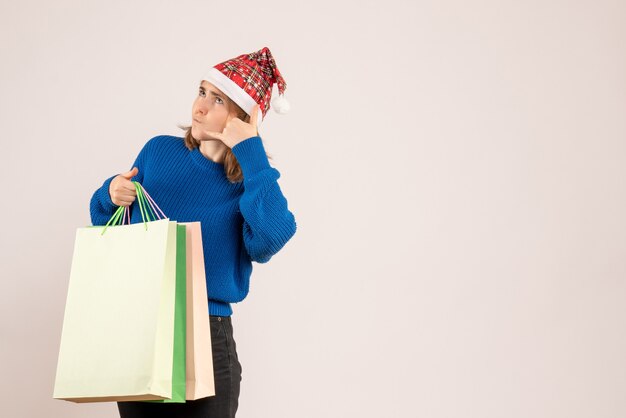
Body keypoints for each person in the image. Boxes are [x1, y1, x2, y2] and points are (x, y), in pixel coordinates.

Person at [89, 47, 297, 418]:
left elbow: (270, 239)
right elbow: (109, 223)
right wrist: (110, 192)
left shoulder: (249, 184)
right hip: (142, 330)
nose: (199, 107)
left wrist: (250, 151)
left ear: (243, 117)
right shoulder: (158, 152)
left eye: (216, 99)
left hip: (208, 335)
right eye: (201, 92)